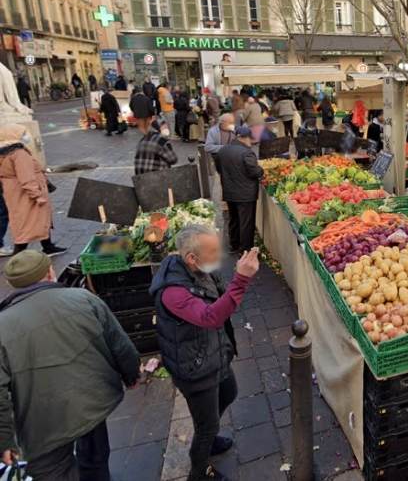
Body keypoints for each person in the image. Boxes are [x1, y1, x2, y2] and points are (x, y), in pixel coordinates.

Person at [0, 250, 141, 480]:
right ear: (49, 273)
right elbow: (119, 343)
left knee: (53, 471)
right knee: (95, 458)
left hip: (42, 420)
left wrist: (4, 440)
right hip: (91, 401)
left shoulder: (3, 325)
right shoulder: (83, 298)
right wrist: (132, 374)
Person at [150, 225, 260, 481]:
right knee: (206, 425)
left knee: (229, 392)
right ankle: (199, 472)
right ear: (191, 257)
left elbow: (217, 301)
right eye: (213, 251)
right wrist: (241, 279)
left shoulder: (197, 270)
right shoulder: (173, 292)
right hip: (194, 366)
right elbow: (209, 317)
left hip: (212, 351)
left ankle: (208, 438)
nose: (219, 256)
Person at [0, 127, 65, 256]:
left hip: (15, 193)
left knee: (35, 220)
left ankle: (48, 246)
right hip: (26, 195)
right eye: (23, 133)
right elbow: (26, 177)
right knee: (28, 223)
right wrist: (37, 195)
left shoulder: (4, 153)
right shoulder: (18, 154)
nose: (26, 136)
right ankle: (19, 254)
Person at [218, 126, 263, 252]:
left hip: (229, 191)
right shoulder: (246, 152)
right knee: (246, 223)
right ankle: (245, 250)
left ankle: (234, 245)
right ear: (245, 138)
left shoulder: (223, 150)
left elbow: (219, 169)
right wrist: (261, 170)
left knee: (234, 219)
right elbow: (254, 171)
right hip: (245, 194)